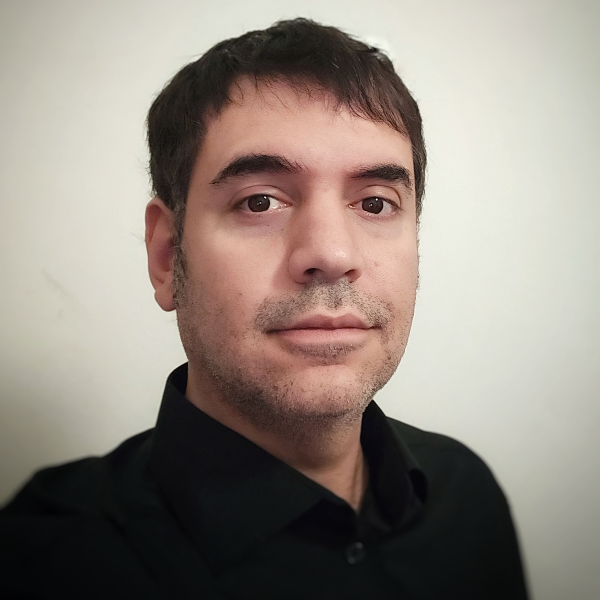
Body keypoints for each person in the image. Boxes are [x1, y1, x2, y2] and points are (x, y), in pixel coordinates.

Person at [0, 18, 528, 600]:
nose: (332, 254)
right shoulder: (43, 565)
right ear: (166, 255)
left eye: (375, 203)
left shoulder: (467, 498)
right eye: (259, 202)